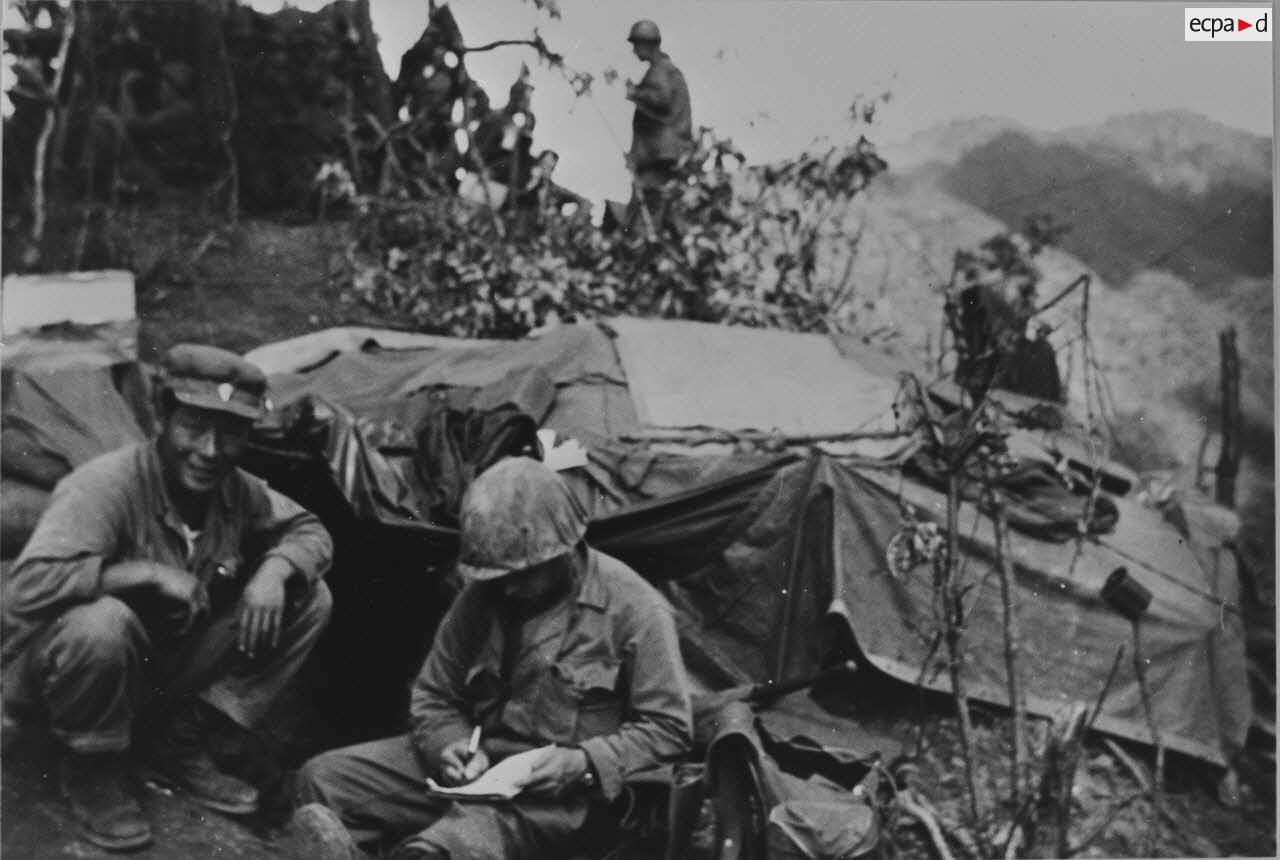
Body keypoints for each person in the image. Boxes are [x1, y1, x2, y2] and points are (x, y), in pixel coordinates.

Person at [2, 344, 334, 852]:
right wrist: (139, 573)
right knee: (102, 622)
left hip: (150, 677)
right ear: (162, 414)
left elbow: (309, 530)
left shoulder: (235, 491)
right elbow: (25, 591)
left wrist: (275, 569)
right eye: (194, 425)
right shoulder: (106, 485)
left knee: (309, 595)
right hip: (58, 683)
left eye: (231, 433)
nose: (209, 450)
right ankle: (90, 769)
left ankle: (178, 739)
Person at [294, 456, 692, 860]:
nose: (507, 590)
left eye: (521, 575)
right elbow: (433, 695)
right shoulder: (483, 597)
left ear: (563, 552)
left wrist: (583, 761)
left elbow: (670, 730)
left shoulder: (634, 608)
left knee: (444, 848)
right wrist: (450, 744)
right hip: (477, 772)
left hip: (559, 798)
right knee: (324, 782)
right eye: (497, 578)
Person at [624, 19, 693, 236]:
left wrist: (635, 93)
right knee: (662, 212)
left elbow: (661, 100)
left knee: (643, 217)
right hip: (666, 154)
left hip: (658, 156)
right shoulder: (668, 71)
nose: (634, 51)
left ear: (647, 44)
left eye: (636, 44)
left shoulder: (660, 70)